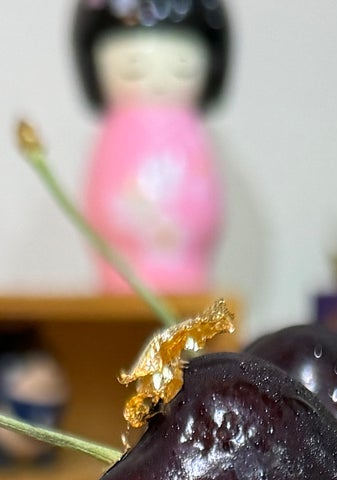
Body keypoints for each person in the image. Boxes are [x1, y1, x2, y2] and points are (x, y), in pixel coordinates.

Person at [73, 0, 231, 295]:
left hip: (191, 279)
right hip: (119, 277)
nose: (158, 82)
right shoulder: (115, 131)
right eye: (134, 68)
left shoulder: (191, 130)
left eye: (181, 68)